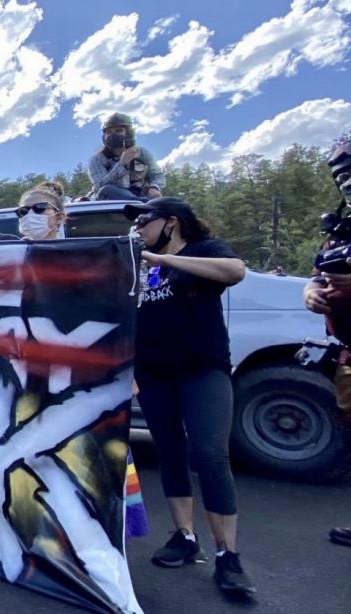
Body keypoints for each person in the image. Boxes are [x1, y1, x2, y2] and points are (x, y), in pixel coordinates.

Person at [125, 197, 254, 598]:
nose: (139, 228)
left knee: (209, 455)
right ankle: (185, 536)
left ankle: (227, 555)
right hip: (154, 375)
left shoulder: (201, 252)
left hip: (202, 370)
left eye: (145, 220)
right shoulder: (137, 265)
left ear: (172, 223)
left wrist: (164, 261)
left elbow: (235, 271)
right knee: (170, 452)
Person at [302, 139, 351, 548]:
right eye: (341, 174)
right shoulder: (341, 225)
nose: (347, 181)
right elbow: (319, 273)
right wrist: (311, 293)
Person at [87, 113, 164, 201]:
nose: (113, 135)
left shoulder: (142, 153)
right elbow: (100, 186)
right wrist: (122, 164)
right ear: (104, 136)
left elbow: (156, 175)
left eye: (118, 131)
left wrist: (154, 187)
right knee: (107, 190)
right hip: (110, 203)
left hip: (141, 196)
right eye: (109, 132)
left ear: (129, 133)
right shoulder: (96, 159)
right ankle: (139, 203)